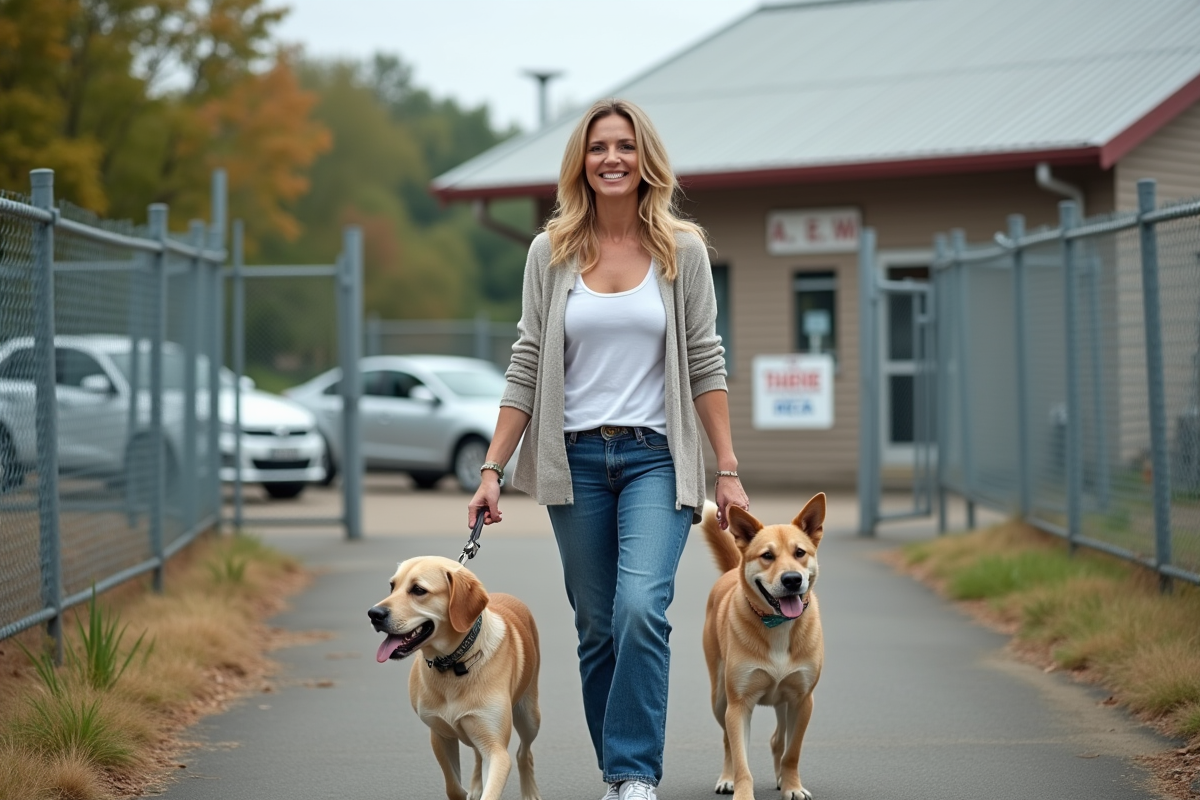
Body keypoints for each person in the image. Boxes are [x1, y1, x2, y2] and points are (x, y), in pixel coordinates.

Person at [467, 97, 748, 800]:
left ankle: (632, 775)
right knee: (595, 626)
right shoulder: (551, 251)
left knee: (640, 609)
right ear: (581, 163)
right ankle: (619, 769)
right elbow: (528, 361)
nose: (612, 158)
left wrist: (729, 471)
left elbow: (707, 362)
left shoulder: (681, 251)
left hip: (658, 457)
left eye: (625, 146)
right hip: (577, 463)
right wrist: (492, 468)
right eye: (598, 148)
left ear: (645, 158)